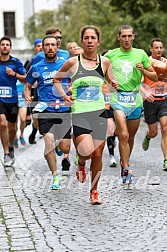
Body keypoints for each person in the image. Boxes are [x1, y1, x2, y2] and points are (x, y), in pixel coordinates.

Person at [53, 25, 117, 204]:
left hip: (99, 113)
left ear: (98, 41)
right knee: (87, 152)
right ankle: (81, 162)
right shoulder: (73, 63)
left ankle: (94, 191)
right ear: (82, 41)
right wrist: (65, 95)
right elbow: (57, 80)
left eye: (93, 38)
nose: (90, 41)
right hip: (80, 113)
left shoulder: (104, 62)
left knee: (98, 154)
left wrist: (114, 84)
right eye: (86, 38)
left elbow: (111, 81)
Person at [104, 25, 157, 186]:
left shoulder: (140, 54)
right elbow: (100, 71)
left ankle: (124, 161)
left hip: (135, 100)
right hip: (118, 98)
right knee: (124, 135)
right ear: (118, 37)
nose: (126, 39)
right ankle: (126, 168)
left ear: (133, 37)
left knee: (131, 137)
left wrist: (144, 70)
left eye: (129, 36)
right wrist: (110, 80)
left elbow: (154, 76)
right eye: (123, 36)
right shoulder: (110, 54)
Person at [24, 35, 71, 189]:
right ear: (42, 48)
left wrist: (71, 90)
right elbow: (27, 85)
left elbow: (74, 81)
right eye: (47, 45)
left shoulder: (65, 65)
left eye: (53, 45)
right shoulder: (37, 67)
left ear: (57, 47)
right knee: (48, 143)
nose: (50, 48)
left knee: (65, 147)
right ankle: (55, 175)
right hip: (46, 109)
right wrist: (27, 95)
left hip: (63, 108)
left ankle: (59, 145)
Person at [0, 36, 26, 166]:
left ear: (10, 47)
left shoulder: (16, 62)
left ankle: (10, 147)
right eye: (2, 44)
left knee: (11, 127)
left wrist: (14, 74)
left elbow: (25, 79)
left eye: (7, 45)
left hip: (12, 99)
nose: (5, 46)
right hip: (0, 100)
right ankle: (5, 153)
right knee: (2, 124)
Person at [142, 38, 167, 171]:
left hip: (164, 99)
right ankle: (148, 136)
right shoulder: (146, 62)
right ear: (151, 49)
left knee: (165, 128)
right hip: (150, 101)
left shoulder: (165, 63)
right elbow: (139, 81)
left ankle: (166, 159)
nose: (158, 50)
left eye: (160, 47)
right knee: (154, 132)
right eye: (156, 47)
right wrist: (145, 92)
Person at [14, 80, 27, 148]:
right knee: (14, 121)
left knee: (23, 120)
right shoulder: (10, 77)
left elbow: (28, 86)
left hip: (22, 101)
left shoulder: (23, 77)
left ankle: (21, 135)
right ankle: (15, 137)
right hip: (13, 101)